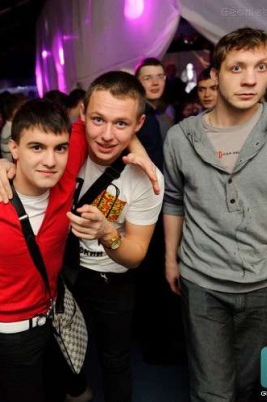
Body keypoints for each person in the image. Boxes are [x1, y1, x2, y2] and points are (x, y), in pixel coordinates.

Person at [163, 27, 267, 401]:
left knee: (250, 384)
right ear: (215, 74)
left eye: (261, 67)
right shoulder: (181, 137)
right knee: (212, 392)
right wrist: (171, 259)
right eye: (237, 68)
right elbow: (174, 200)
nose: (250, 80)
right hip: (203, 282)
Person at [0, 98, 86, 402]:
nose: (50, 160)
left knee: (56, 390)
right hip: (9, 330)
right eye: (36, 147)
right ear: (14, 148)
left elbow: (106, 123)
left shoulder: (64, 179)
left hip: (53, 315)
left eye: (60, 148)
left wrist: (142, 154)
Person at [64, 71, 164, 402]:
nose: (107, 135)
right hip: (62, 273)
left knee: (115, 359)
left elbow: (136, 254)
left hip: (112, 281)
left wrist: (108, 233)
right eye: (98, 120)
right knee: (62, 350)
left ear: (138, 124)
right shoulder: (62, 150)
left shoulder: (146, 178)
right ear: (82, 113)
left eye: (121, 124)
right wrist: (2, 167)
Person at [0, 93, 28, 162]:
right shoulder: (14, 129)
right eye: (23, 108)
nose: (27, 112)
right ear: (15, 111)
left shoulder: (7, 127)